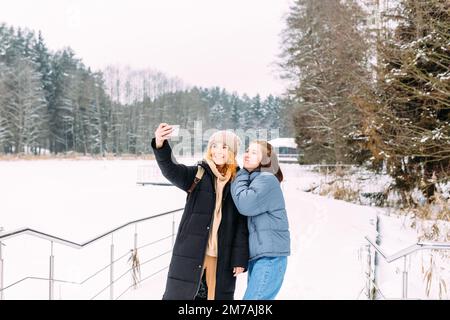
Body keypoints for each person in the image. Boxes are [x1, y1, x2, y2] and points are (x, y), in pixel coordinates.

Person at [152, 123, 249, 300]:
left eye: (224, 147)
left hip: (221, 258)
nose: (218, 151)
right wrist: (160, 143)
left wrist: (240, 257)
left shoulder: (239, 182)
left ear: (233, 153)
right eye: (214, 146)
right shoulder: (198, 174)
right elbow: (170, 170)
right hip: (191, 254)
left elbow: (241, 224)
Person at [231, 140, 290, 300]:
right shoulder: (258, 179)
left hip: (270, 257)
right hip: (262, 256)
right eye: (248, 150)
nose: (247, 155)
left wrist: (241, 174)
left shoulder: (267, 179)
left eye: (254, 152)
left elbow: (245, 204)